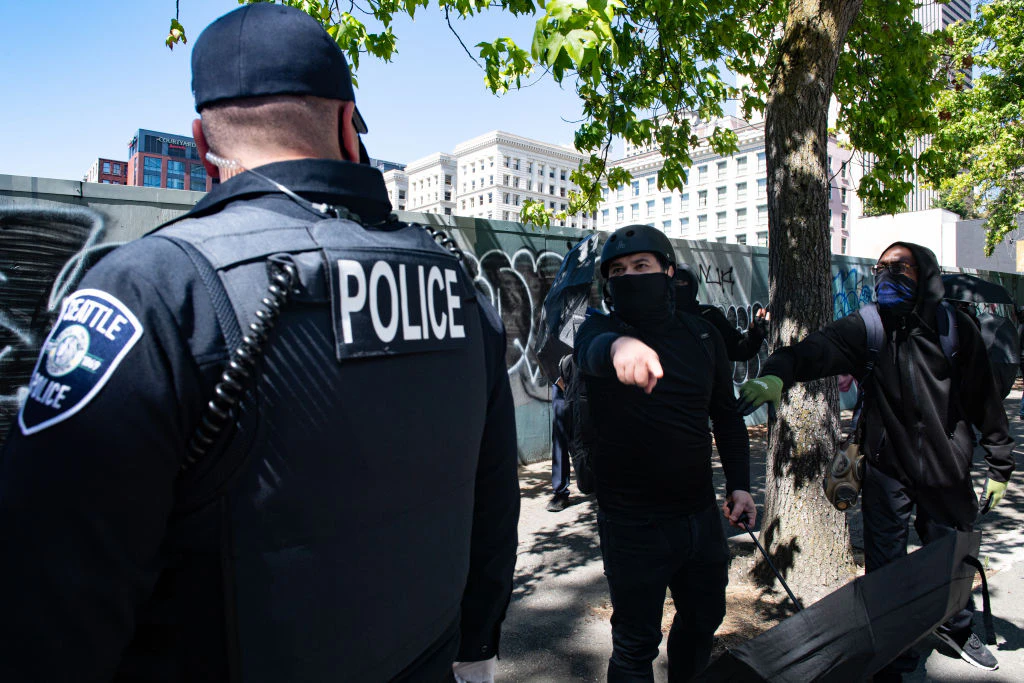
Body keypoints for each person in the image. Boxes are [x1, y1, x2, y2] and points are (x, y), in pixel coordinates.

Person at [0, 5, 519, 682]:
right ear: (346, 124)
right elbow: (494, 496)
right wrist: (475, 649)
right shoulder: (457, 285)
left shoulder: (152, 289)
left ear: (199, 140)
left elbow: (44, 600)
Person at [737, 242, 1014, 678]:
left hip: (948, 469)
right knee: (886, 565)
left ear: (925, 274)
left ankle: (957, 629)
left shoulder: (956, 330)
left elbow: (986, 402)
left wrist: (1000, 463)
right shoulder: (869, 326)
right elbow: (814, 350)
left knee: (951, 556)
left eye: (900, 267)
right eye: (881, 268)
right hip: (887, 470)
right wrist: (777, 373)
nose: (887, 276)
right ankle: (892, 646)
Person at [575, 225, 755, 682]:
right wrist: (618, 347)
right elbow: (589, 351)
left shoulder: (703, 337)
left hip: (699, 517)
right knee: (635, 645)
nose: (629, 276)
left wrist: (740, 486)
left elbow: (727, 417)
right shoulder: (601, 329)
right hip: (632, 523)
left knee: (703, 621)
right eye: (618, 271)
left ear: (668, 271)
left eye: (641, 266)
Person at [673, 264, 768, 362]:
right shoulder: (661, 319)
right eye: (674, 283)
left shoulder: (709, 315)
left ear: (692, 285)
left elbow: (737, 349)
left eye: (682, 283)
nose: (678, 287)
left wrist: (755, 335)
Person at [548, 354, 575, 511]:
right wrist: (559, 380)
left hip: (587, 378)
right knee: (560, 434)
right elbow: (546, 353)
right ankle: (560, 492)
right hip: (562, 381)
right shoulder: (554, 329)